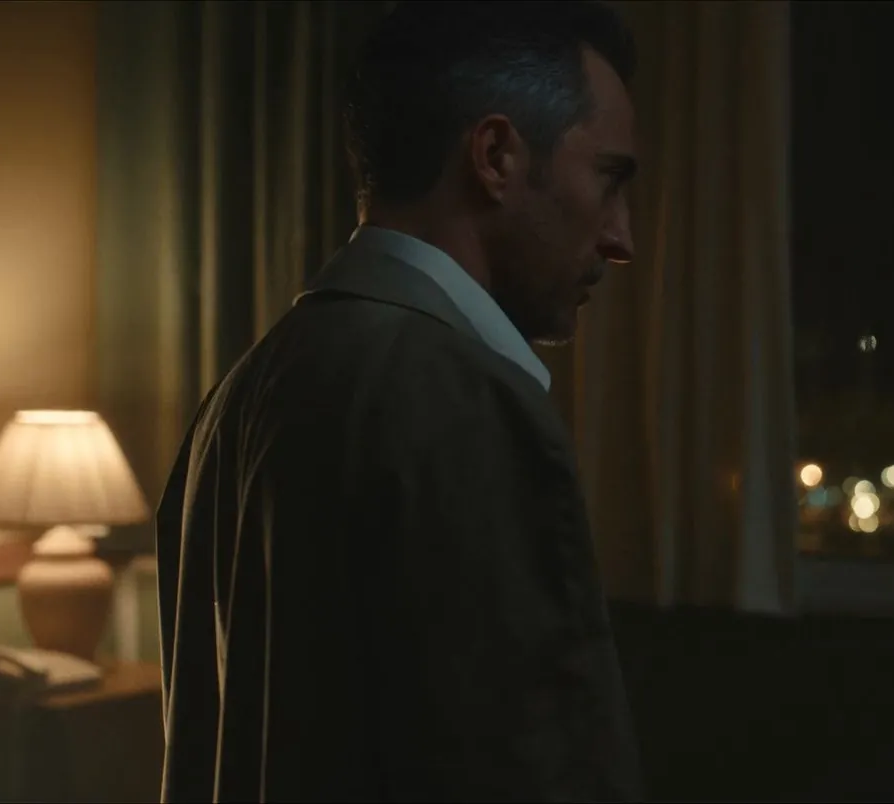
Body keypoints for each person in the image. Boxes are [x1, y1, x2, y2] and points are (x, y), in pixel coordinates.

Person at [154, 2, 644, 800]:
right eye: (608, 179)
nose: (622, 240)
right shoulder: (468, 403)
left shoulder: (234, 400)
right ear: (496, 156)